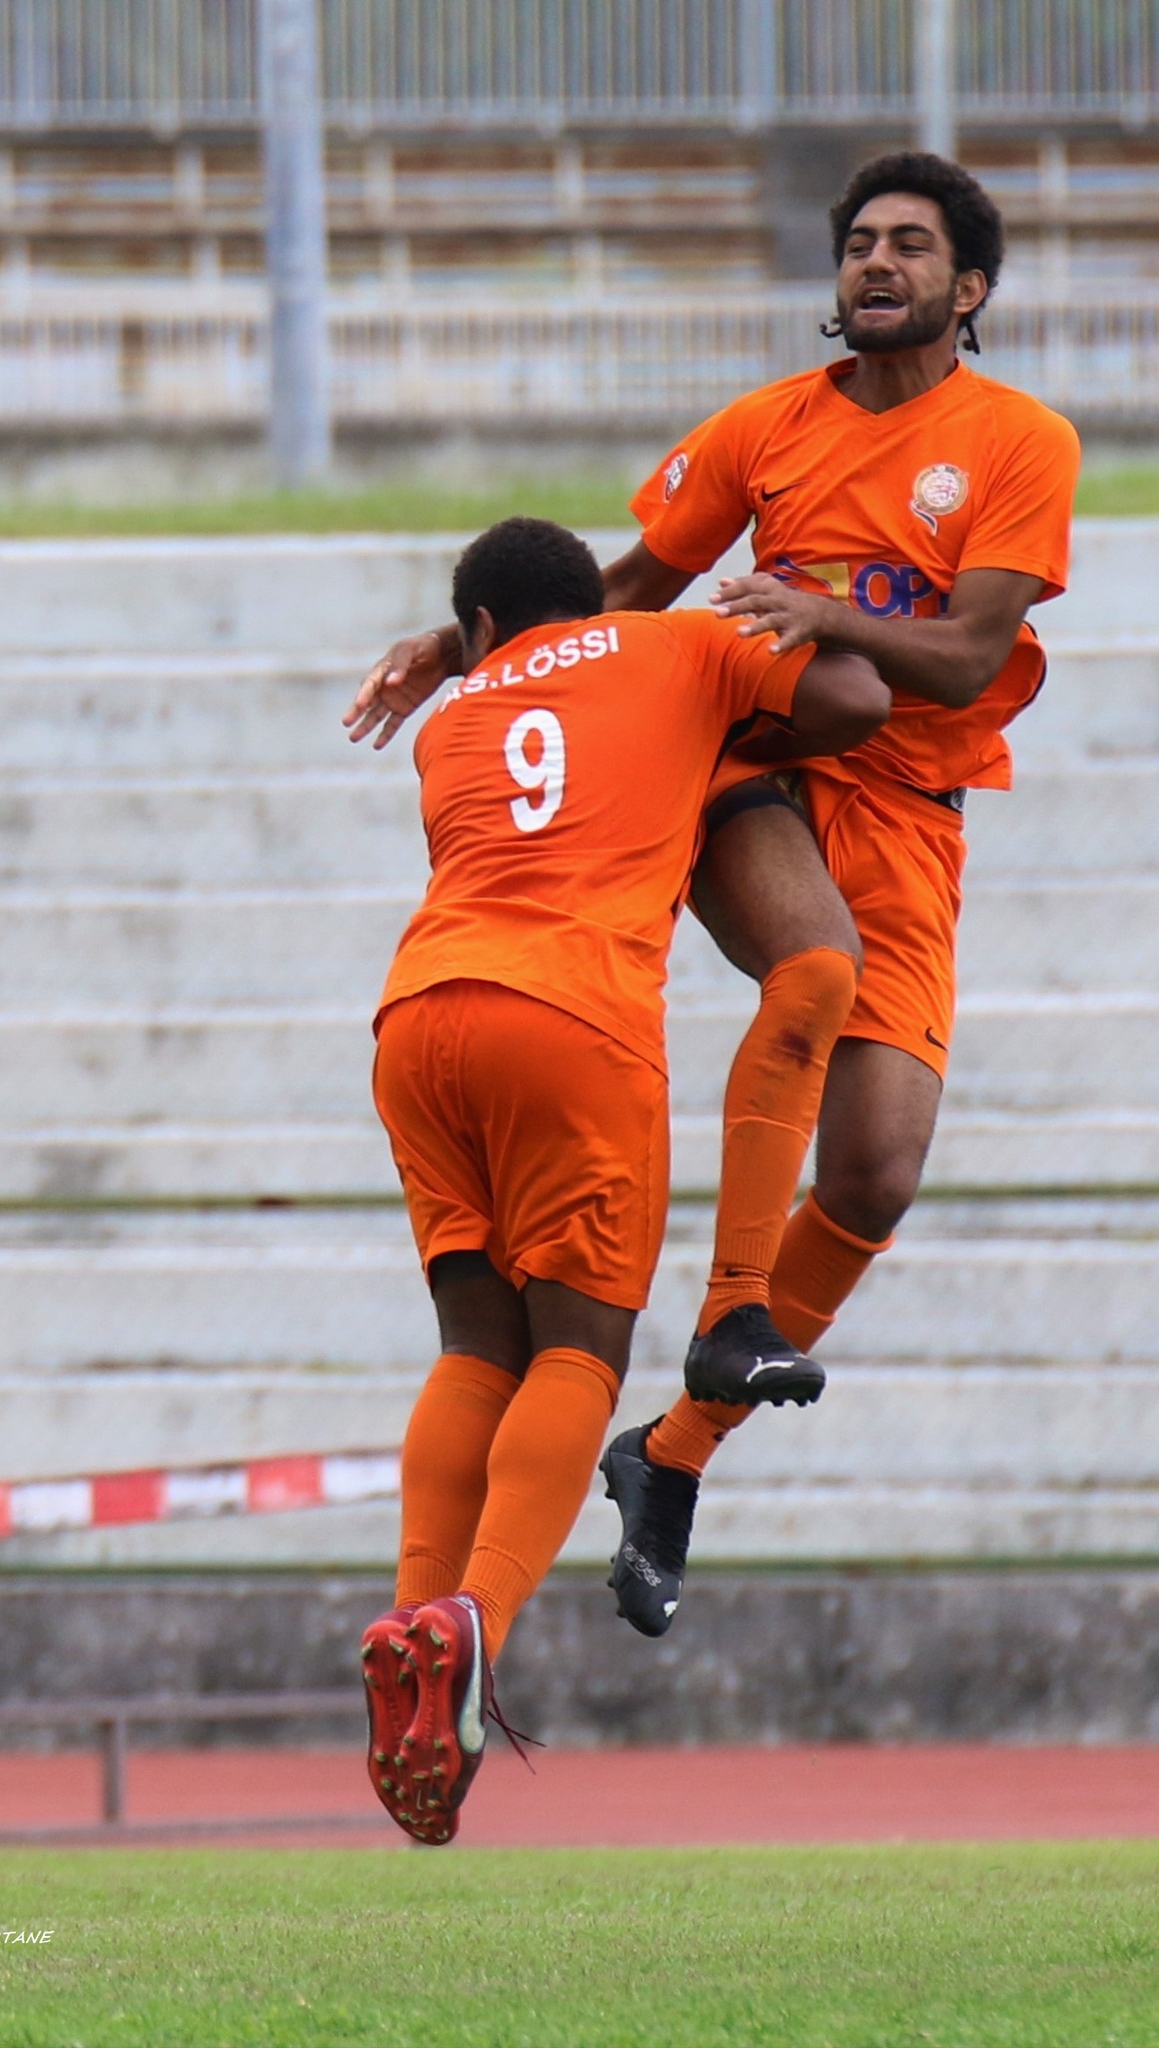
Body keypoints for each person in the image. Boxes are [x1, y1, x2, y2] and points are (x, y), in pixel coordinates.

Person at [350, 151, 1080, 1642]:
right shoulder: (764, 431)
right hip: (763, 769)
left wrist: (816, 607)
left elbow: (963, 656)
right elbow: (629, 593)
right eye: (859, 242)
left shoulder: (1017, 442)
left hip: (910, 804)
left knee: (874, 1175)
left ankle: (671, 1455)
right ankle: (733, 1308)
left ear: (971, 288)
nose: (876, 262)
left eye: (910, 246)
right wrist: (467, 643)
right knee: (812, 968)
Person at [348, 516, 887, 1845]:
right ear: (596, 598)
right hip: (573, 1020)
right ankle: (475, 1625)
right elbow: (858, 701)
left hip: (421, 1018)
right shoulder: (672, 646)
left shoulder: (448, 726)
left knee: (475, 1345)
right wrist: (799, 637)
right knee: (578, 1357)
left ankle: (421, 1609)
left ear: (476, 632)